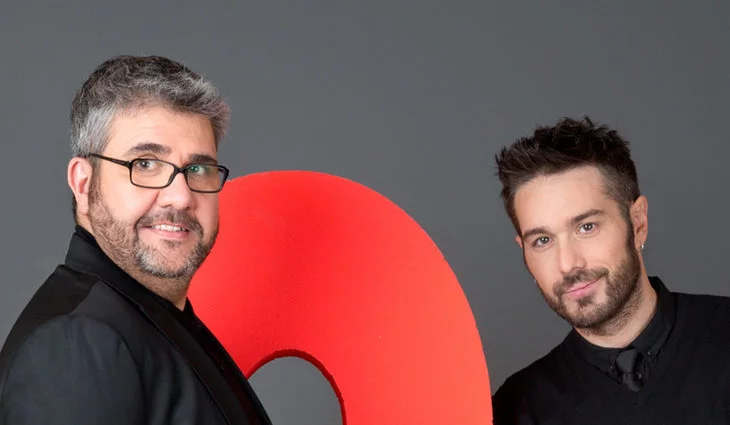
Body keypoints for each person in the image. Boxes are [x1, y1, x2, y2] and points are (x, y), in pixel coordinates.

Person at [0, 55, 272, 425]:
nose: (180, 197)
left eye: (198, 169)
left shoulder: (160, 324)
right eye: (144, 164)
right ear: (84, 183)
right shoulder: (76, 343)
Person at [491, 116, 730, 424]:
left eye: (586, 227)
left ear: (638, 222)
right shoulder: (517, 410)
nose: (567, 264)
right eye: (543, 240)